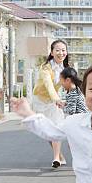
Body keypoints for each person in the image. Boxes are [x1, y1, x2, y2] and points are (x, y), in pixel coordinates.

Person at [32, 39, 69, 168]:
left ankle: (56, 159)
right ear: (52, 53)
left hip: (54, 103)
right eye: (57, 50)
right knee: (46, 132)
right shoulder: (45, 68)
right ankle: (59, 155)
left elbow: (71, 85)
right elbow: (48, 85)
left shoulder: (65, 69)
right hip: (40, 101)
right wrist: (56, 99)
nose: (61, 53)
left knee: (56, 128)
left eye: (63, 50)